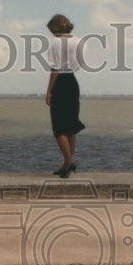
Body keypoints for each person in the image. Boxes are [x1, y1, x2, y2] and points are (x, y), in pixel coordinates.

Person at [44, 14, 86, 177]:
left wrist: (49, 91)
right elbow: (80, 63)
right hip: (72, 81)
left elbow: (55, 68)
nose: (51, 33)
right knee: (70, 126)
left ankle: (69, 162)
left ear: (55, 27)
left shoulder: (55, 42)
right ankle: (67, 164)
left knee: (59, 126)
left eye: (51, 29)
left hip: (60, 82)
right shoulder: (79, 41)